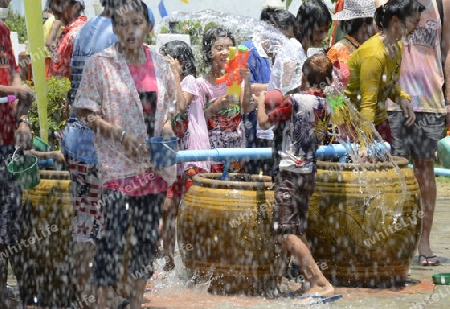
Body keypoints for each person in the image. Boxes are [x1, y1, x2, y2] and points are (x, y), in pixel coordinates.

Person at [73, 0, 177, 308]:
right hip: (117, 167)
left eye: (135, 23)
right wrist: (119, 135)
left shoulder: (159, 63)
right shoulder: (101, 64)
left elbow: (167, 111)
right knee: (112, 238)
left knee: (146, 239)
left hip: (154, 167)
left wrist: (168, 129)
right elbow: (85, 112)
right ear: (113, 28)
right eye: (121, 24)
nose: (128, 31)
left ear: (148, 26)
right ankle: (103, 301)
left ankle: (134, 301)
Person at [253, 53, 334, 296]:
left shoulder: (294, 101)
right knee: (298, 231)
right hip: (308, 173)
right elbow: (325, 137)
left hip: (288, 173)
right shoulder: (326, 105)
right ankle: (308, 283)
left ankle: (321, 283)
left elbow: (265, 122)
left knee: (285, 233)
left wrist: (259, 101)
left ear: (303, 76)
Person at [60, 0, 119, 307]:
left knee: (85, 222)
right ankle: (101, 298)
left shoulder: (85, 31)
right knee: (107, 223)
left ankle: (86, 295)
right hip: (101, 146)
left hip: (76, 140)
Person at [385, 0, 450, 266]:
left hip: (431, 99)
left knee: (425, 173)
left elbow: (447, 50)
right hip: (395, 101)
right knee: (396, 171)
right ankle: (395, 241)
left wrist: (449, 98)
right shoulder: (389, 1)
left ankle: (423, 242)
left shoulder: (443, 4)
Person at [344, 0, 424, 147]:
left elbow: (387, 84)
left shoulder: (397, 45)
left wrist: (401, 98)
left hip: (377, 119)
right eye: (414, 22)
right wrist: (364, 145)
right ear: (395, 21)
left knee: (387, 166)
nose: (417, 27)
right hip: (352, 123)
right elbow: (367, 103)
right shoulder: (374, 54)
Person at [0, 0, 35, 306]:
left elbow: (14, 80)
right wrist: (13, 92)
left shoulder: (4, 31)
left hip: (6, 143)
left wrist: (22, 116)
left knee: (8, 224)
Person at [242, 8, 296, 176]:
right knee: (255, 177)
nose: (287, 42)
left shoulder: (284, 52)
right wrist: (276, 89)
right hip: (254, 128)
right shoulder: (246, 51)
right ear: (272, 30)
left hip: (276, 127)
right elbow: (241, 90)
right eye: (285, 37)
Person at [159, 40, 197, 271]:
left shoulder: (189, 81)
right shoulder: (164, 85)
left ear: (180, 63)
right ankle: (169, 262)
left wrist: (174, 73)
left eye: (167, 61)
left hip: (191, 154)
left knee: (190, 212)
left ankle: (191, 261)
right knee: (167, 208)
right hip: (172, 157)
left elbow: (181, 105)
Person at [202, 26, 249, 174]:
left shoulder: (238, 81)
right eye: (219, 48)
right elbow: (198, 119)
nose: (225, 52)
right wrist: (217, 105)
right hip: (213, 153)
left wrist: (246, 79)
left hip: (237, 152)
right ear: (209, 53)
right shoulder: (201, 84)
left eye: (229, 47)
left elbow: (246, 107)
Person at [268, 0, 332, 95]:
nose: (323, 36)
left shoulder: (306, 52)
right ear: (301, 27)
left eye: (325, 30)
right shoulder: (291, 51)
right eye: (319, 31)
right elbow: (286, 92)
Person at [50, 0, 87, 78]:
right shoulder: (68, 32)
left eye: (59, 3)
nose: (54, 8)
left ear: (76, 6)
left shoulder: (77, 32)